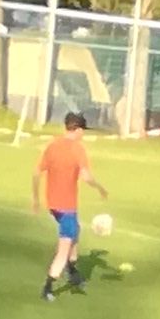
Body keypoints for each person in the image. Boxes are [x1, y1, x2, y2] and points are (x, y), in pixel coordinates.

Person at [35, 112, 100, 298]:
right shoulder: (77, 149)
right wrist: (99, 187)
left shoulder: (53, 145)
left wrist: (35, 198)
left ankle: (73, 272)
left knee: (75, 231)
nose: (83, 134)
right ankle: (48, 287)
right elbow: (85, 176)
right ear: (77, 129)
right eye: (82, 130)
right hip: (66, 206)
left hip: (53, 204)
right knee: (65, 247)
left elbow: (38, 170)